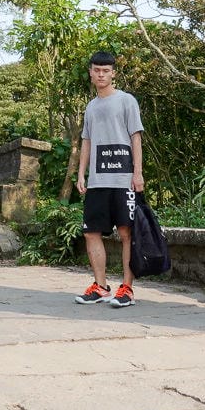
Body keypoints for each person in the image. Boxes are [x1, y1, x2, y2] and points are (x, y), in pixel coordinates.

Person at [75, 50, 144, 308]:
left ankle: (127, 289)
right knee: (91, 232)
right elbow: (86, 141)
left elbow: (136, 137)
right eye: (97, 70)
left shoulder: (126, 101)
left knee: (126, 233)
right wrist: (81, 173)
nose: (101, 74)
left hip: (123, 180)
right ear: (91, 73)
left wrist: (137, 173)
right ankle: (101, 286)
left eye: (106, 70)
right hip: (97, 181)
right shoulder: (91, 107)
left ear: (113, 73)